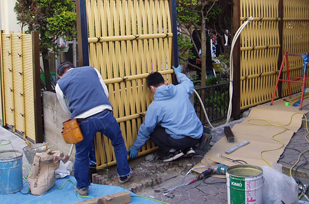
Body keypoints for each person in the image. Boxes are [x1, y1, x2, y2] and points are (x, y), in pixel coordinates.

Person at [55, 62, 132, 196]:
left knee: (81, 154)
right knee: (118, 142)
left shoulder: (60, 84)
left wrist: (77, 113)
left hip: (83, 120)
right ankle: (124, 175)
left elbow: (65, 107)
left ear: (61, 75)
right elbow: (105, 91)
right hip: (104, 113)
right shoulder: (92, 70)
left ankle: (82, 188)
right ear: (72, 67)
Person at [128, 65, 203, 162]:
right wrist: (178, 74)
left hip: (179, 142)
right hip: (197, 136)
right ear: (165, 82)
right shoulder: (181, 89)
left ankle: (171, 152)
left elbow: (147, 128)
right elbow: (188, 83)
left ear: (152, 88)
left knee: (152, 130)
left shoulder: (155, 106)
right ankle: (189, 148)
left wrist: (135, 147)